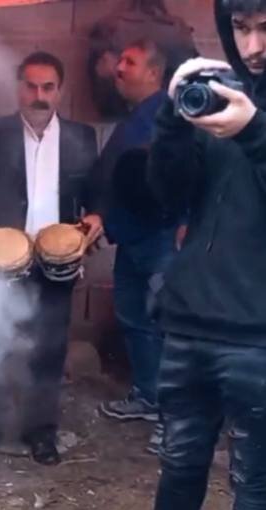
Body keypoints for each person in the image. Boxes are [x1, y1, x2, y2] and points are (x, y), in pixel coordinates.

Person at [113, 1, 266, 510]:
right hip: (192, 321)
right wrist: (177, 123)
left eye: (265, 25)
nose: (252, 44)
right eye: (240, 27)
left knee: (255, 481)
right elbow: (167, 196)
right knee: (180, 460)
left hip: (260, 336)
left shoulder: (248, 117)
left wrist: (255, 131)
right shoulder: (224, 96)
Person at [0, 51, 101, 466]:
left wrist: (95, 215)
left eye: (48, 87)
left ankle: (41, 433)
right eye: (31, 86)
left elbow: (95, 191)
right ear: (19, 87)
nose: (39, 96)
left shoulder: (82, 136)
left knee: (49, 350)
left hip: (55, 260)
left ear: (60, 90)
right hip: (2, 257)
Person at [93, 40, 180, 454]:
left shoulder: (171, 116)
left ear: (153, 72)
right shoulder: (135, 118)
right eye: (119, 58)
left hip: (163, 239)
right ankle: (148, 396)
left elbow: (186, 176)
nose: (118, 68)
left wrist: (184, 225)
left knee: (169, 330)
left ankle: (176, 422)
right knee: (135, 320)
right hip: (131, 238)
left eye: (129, 62)